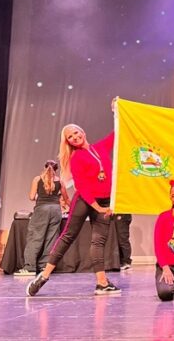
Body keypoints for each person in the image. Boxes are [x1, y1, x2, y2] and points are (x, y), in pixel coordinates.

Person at [27, 99, 121, 296]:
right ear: (68, 141)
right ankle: (43, 276)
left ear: (83, 132)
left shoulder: (100, 148)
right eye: (70, 136)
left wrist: (116, 111)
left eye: (76, 133)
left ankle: (102, 283)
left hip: (104, 202)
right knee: (68, 236)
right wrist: (98, 208)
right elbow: (83, 187)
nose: (75, 137)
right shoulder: (76, 158)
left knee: (98, 242)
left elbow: (119, 133)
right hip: (86, 202)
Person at [15, 160, 70, 276]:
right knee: (51, 238)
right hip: (56, 210)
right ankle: (44, 266)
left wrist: (41, 197)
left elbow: (31, 196)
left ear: (44, 167)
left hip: (42, 209)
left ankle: (29, 268)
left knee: (35, 236)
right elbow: (66, 199)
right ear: (56, 169)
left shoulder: (37, 179)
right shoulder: (60, 181)